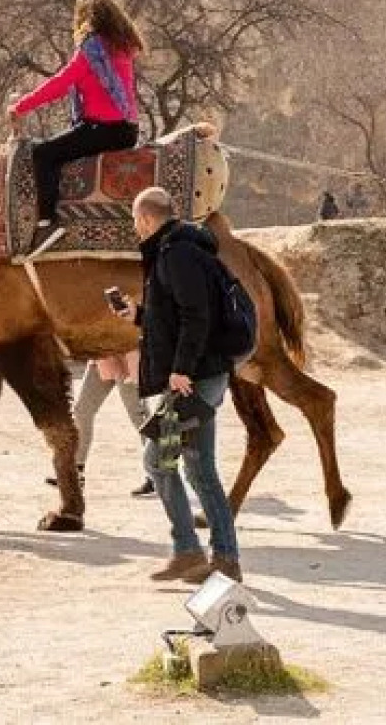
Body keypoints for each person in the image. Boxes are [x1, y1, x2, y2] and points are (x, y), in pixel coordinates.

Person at [110, 187, 240, 583]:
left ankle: (201, 553)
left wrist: (182, 368)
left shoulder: (176, 255)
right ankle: (207, 555)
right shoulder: (180, 251)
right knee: (193, 467)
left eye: (136, 221)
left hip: (191, 381)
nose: (135, 228)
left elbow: (196, 316)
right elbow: (174, 315)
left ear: (147, 219)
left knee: (163, 462)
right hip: (199, 377)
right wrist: (138, 315)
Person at [8, 0, 144, 238]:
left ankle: (47, 223)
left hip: (103, 130)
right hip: (128, 130)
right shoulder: (123, 46)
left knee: (43, 154)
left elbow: (60, 84)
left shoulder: (91, 51)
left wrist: (21, 106)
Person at [58, 352, 157, 499]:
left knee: (140, 419)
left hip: (127, 358)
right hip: (102, 357)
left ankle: (157, 475)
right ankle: (76, 472)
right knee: (82, 410)